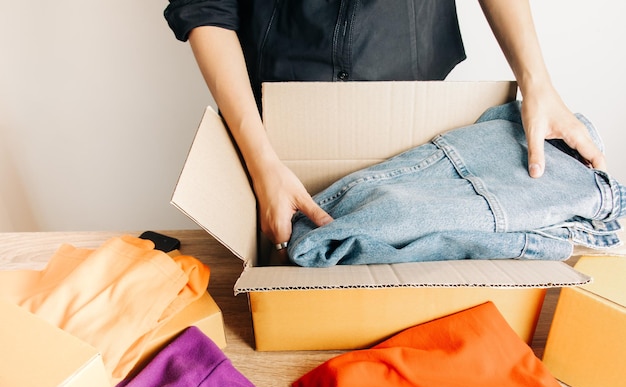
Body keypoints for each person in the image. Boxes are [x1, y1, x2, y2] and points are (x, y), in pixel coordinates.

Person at [164, 0, 606, 254]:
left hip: (419, 98)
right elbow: (205, 6)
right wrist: (262, 163)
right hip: (275, 109)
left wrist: (538, 83)